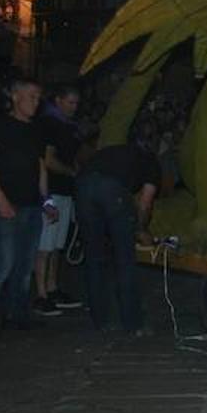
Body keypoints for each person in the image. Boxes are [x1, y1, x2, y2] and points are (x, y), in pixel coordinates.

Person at [0, 77, 57, 338]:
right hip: (8, 205)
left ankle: (17, 314)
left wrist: (47, 200)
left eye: (38, 97)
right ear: (15, 96)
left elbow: (40, 167)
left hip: (32, 205)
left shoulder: (36, 130)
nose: (36, 102)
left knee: (24, 265)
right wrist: (0, 199)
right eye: (31, 96)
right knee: (4, 264)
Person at [75, 136, 160, 334]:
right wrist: (140, 230)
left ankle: (100, 321)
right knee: (125, 259)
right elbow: (145, 202)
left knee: (94, 259)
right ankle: (133, 323)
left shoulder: (116, 150)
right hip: (111, 189)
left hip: (83, 185)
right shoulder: (151, 163)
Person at [33, 84, 84, 315]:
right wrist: (71, 172)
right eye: (70, 102)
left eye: (76, 103)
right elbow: (48, 160)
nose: (74, 107)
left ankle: (52, 288)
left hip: (65, 191)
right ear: (58, 100)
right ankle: (41, 294)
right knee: (44, 246)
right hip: (51, 190)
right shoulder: (49, 124)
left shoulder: (68, 127)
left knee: (57, 246)